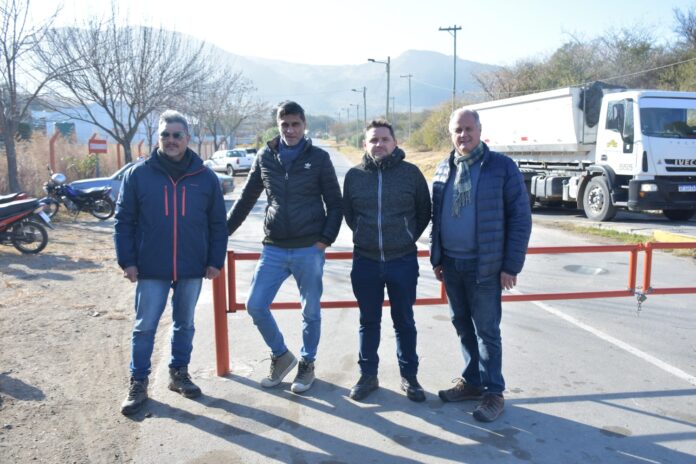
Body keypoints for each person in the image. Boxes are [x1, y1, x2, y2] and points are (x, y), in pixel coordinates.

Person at [114, 110, 228, 415]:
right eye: (165, 134)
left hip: (192, 266)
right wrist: (127, 260)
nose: (171, 140)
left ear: (187, 138)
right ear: (158, 138)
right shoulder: (138, 175)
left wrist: (215, 260)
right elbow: (123, 221)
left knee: (185, 324)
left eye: (177, 135)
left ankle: (179, 373)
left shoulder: (205, 177)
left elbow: (218, 224)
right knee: (145, 327)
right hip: (151, 266)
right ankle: (138, 382)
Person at [226, 101, 342, 394]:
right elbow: (247, 198)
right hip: (274, 248)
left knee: (310, 311)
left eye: (295, 124)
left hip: (308, 248)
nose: (290, 130)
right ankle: (281, 355)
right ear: (278, 125)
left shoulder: (319, 158)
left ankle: (307, 362)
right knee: (255, 305)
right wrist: (222, 232)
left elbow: (335, 203)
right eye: (284, 125)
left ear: (304, 125)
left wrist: (324, 240)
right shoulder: (265, 156)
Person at [430, 108, 532, 422]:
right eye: (458, 130)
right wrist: (437, 257)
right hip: (452, 264)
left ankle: (493, 392)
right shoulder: (444, 167)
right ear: (451, 134)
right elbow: (437, 217)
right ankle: (472, 382)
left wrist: (511, 265)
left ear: (479, 129)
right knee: (462, 326)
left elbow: (520, 218)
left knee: (487, 331)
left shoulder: (501, 167)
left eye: (468, 128)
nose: (464, 135)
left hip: (485, 266)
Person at [343, 120, 431, 402]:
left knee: (404, 321)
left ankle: (410, 377)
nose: (379, 144)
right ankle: (368, 375)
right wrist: (365, 235)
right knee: (368, 321)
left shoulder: (411, 174)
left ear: (395, 142)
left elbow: (423, 211)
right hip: (365, 261)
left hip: (402, 260)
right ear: (364, 144)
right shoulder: (354, 176)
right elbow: (350, 215)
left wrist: (405, 236)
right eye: (373, 140)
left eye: (384, 139)